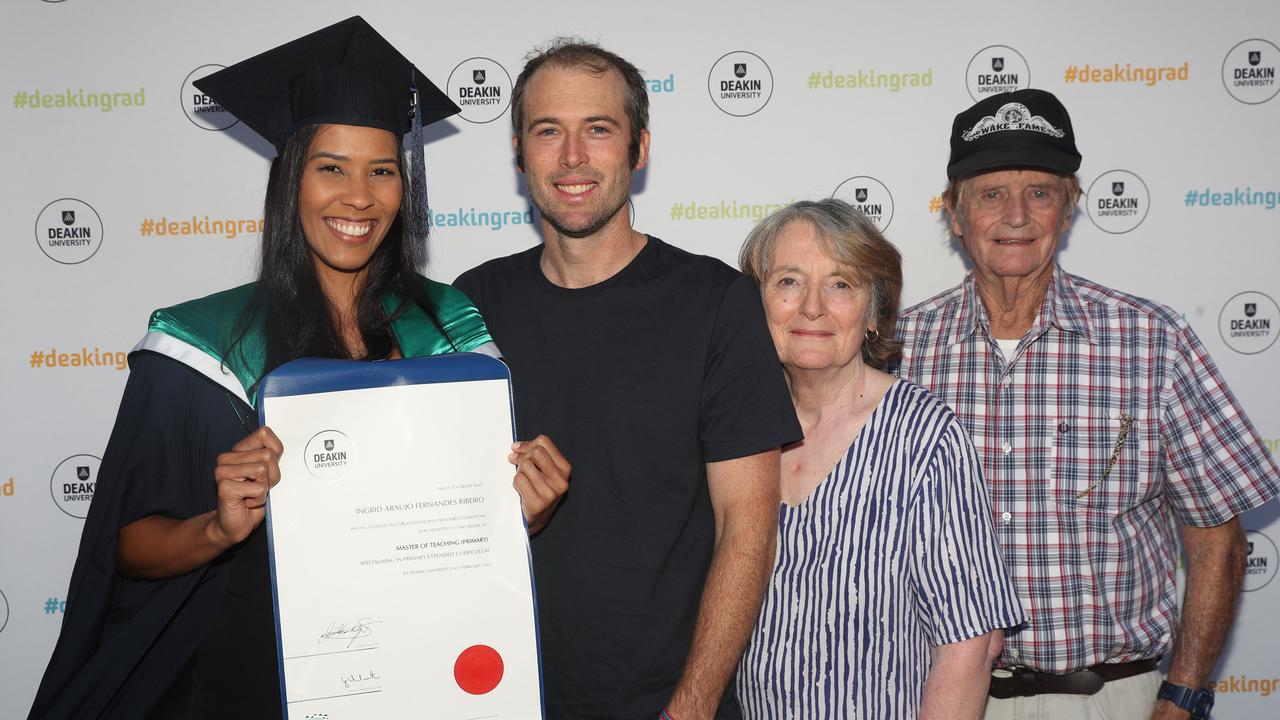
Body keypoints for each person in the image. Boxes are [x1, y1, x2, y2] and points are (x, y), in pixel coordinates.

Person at [29, 17, 567, 719]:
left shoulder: (450, 331)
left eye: (381, 171)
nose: (358, 197)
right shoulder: (204, 346)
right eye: (330, 168)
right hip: (246, 677)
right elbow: (127, 550)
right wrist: (219, 528)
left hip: (416, 673)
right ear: (291, 181)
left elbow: (464, 534)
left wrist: (524, 509)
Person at [895, 88, 1280, 720]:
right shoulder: (899, 352)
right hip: (942, 699)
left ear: (1069, 210)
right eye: (991, 194)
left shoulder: (1153, 341)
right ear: (955, 214)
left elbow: (1220, 544)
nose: (1016, 215)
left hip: (1116, 700)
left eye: (1040, 193)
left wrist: (1183, 696)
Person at [454, 39, 801, 719]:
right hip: (498, 696)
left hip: (664, 704)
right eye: (548, 131)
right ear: (520, 154)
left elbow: (747, 530)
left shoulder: (716, 303)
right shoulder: (471, 305)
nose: (573, 156)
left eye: (599, 130)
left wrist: (693, 705)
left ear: (639, 149)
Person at [733, 199, 1024, 719]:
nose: (813, 307)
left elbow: (972, 645)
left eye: (841, 284)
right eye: (789, 282)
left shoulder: (925, 438)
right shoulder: (729, 431)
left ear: (874, 311)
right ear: (756, 301)